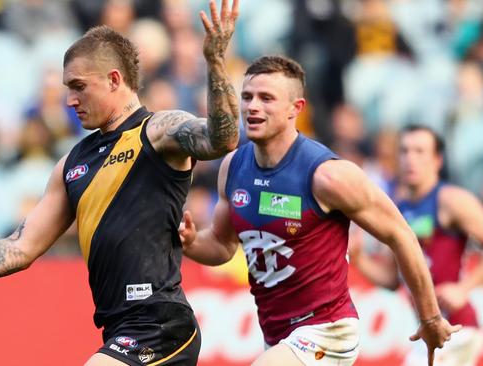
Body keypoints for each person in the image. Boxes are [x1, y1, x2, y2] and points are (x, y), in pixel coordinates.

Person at [0, 1, 241, 365]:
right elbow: (21, 248)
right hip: (119, 328)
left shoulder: (158, 131)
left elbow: (223, 139)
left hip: (160, 324)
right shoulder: (72, 164)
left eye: (78, 87)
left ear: (115, 80)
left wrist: (214, 63)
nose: (70, 100)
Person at [178, 56, 460, 366]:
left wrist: (430, 317)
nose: (252, 107)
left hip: (327, 330)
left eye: (266, 98)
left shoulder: (327, 175)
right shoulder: (233, 167)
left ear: (295, 109)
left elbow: (400, 234)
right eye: (247, 97)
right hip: (275, 334)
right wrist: (191, 242)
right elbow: (221, 244)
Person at [350, 125, 483, 366]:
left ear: (437, 160)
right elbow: (392, 278)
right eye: (405, 151)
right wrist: (360, 261)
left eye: (420, 151)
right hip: (430, 332)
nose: (410, 159)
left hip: (458, 328)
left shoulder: (450, 200)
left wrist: (464, 288)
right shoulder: (397, 207)